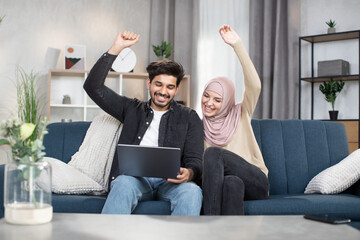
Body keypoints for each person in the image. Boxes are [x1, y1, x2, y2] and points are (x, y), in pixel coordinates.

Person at [84, 30, 203, 215]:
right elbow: (93, 87)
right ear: (149, 84)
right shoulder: (131, 108)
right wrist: (116, 48)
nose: (163, 91)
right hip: (135, 180)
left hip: (170, 183)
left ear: (177, 89)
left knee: (193, 191)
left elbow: (195, 160)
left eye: (170, 87)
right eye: (158, 84)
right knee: (122, 183)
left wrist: (190, 173)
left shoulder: (189, 116)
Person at [201, 25, 269, 215]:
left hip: (256, 181)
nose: (209, 103)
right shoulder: (199, 126)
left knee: (214, 154)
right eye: (206, 95)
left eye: (217, 99)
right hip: (228, 184)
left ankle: (208, 222)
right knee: (232, 183)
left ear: (227, 101)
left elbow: (254, 85)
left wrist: (237, 45)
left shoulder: (241, 112)